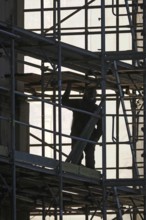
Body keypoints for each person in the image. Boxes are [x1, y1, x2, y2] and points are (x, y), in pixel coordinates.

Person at [62, 82, 102, 169]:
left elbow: (101, 127)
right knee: (82, 158)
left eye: (92, 93)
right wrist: (69, 86)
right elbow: (64, 102)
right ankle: (86, 176)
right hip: (81, 135)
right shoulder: (82, 104)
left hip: (84, 135)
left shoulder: (94, 108)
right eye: (90, 93)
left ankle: (85, 176)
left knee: (86, 158)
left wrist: (69, 86)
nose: (91, 95)